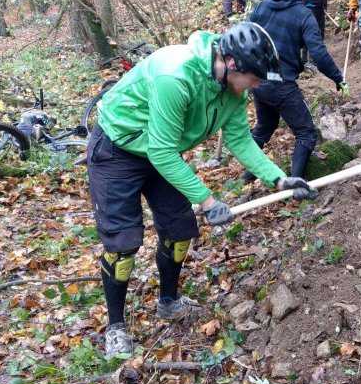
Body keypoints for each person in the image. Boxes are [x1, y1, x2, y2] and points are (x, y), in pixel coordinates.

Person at [87, 21, 318, 357]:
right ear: (233, 64)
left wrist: (279, 180)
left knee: (179, 231)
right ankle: (116, 326)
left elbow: (240, 140)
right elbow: (163, 151)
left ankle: (169, 301)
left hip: (160, 151)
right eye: (254, 78)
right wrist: (207, 201)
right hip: (117, 149)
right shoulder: (176, 75)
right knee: (123, 244)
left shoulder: (233, 89)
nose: (256, 86)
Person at [247, 0, 348, 180]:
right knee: (306, 134)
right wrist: (337, 77)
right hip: (281, 84)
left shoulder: (262, 6)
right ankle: (295, 186)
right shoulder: (304, 14)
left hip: (257, 80)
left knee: (265, 127)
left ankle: (245, 179)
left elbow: (244, 36)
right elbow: (318, 53)